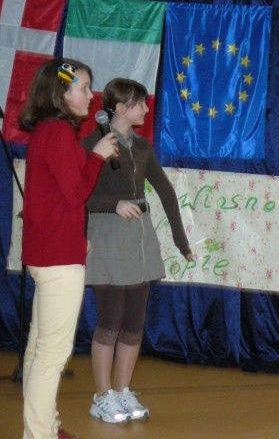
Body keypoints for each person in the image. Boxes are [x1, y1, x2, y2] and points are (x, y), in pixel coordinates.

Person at [82, 78, 194, 424]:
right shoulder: (92, 143)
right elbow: (77, 194)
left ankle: (121, 390)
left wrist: (181, 241)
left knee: (133, 322)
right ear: (119, 108)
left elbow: (165, 191)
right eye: (139, 103)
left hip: (140, 241)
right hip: (107, 239)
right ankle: (101, 396)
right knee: (110, 320)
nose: (146, 109)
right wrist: (112, 204)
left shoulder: (143, 147)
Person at [19, 59, 118, 439]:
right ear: (62, 92)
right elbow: (76, 193)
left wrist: (76, 236)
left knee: (39, 350)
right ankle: (39, 434)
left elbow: (54, 199)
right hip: (57, 259)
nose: (91, 96)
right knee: (51, 355)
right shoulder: (58, 133)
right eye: (84, 88)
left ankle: (43, 427)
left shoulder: (48, 131)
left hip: (50, 251)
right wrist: (98, 157)